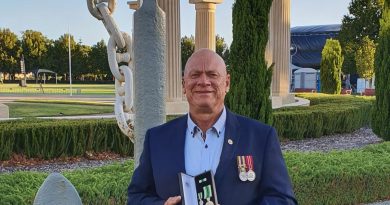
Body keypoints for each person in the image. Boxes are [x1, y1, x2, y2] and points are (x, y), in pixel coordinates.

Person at [128, 48, 297, 205]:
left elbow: (283, 199)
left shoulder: (261, 137)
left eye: (212, 74)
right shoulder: (157, 139)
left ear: (227, 83)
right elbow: (136, 196)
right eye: (195, 75)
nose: (203, 81)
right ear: (183, 84)